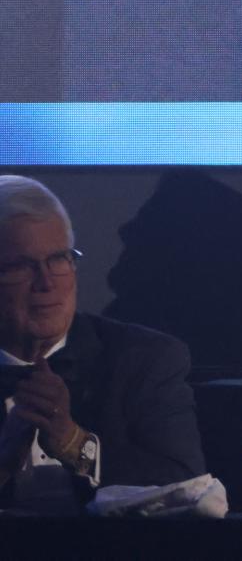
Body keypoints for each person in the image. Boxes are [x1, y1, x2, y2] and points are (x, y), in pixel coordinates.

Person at [0, 175, 206, 499]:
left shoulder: (146, 360)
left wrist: (75, 445)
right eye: (21, 266)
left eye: (58, 260)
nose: (46, 283)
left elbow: (186, 486)